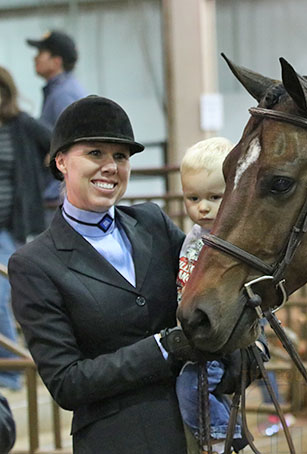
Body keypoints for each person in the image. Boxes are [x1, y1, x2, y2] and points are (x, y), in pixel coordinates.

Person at [8, 95, 190, 453]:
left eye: (120, 157)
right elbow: (67, 382)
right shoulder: (34, 264)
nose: (111, 166)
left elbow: (204, 287)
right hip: (118, 440)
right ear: (61, 161)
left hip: (192, 427)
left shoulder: (153, 222)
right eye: (95, 154)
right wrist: (161, 349)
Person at [175, 137, 251, 453]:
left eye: (214, 197)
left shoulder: (230, 242)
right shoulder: (194, 236)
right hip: (195, 332)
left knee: (191, 387)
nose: (202, 207)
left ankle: (221, 439)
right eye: (192, 197)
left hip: (218, 333)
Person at [0, 66, 51, 391]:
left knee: (1, 293)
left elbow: (59, 145)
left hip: (10, 226)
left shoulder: (21, 125)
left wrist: (43, 184)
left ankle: (11, 371)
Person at [26, 30, 88, 220]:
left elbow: (74, 140)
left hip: (59, 196)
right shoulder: (60, 91)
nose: (35, 58)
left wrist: (53, 154)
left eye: (41, 53)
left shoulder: (63, 95)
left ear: (56, 61)